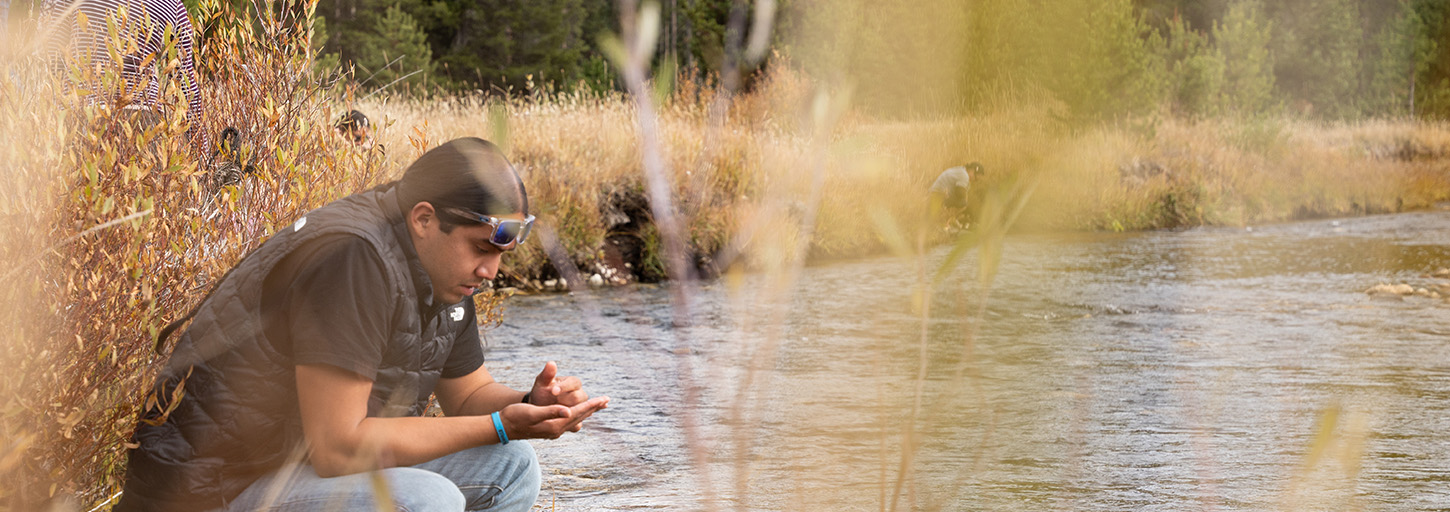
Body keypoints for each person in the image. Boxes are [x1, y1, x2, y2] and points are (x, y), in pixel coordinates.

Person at [114, 137, 609, 512]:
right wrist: (499, 425)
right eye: (482, 249)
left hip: (295, 467)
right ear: (423, 219)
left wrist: (527, 406)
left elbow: (469, 395)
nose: (490, 272)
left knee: (512, 465)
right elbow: (338, 447)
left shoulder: (442, 269)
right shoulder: (353, 258)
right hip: (216, 489)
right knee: (425, 500)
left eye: (500, 255)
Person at [40, 0, 209, 155]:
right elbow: (187, 89)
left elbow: (52, 55)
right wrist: (204, 155)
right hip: (144, 124)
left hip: (83, 116)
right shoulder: (173, 5)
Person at [928, 162, 984, 231]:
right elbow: (960, 192)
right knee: (963, 203)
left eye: (977, 179)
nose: (975, 180)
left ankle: (951, 221)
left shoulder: (961, 171)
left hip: (938, 194)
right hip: (938, 195)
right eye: (976, 176)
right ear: (971, 170)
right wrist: (967, 208)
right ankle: (947, 222)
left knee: (963, 204)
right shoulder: (964, 175)